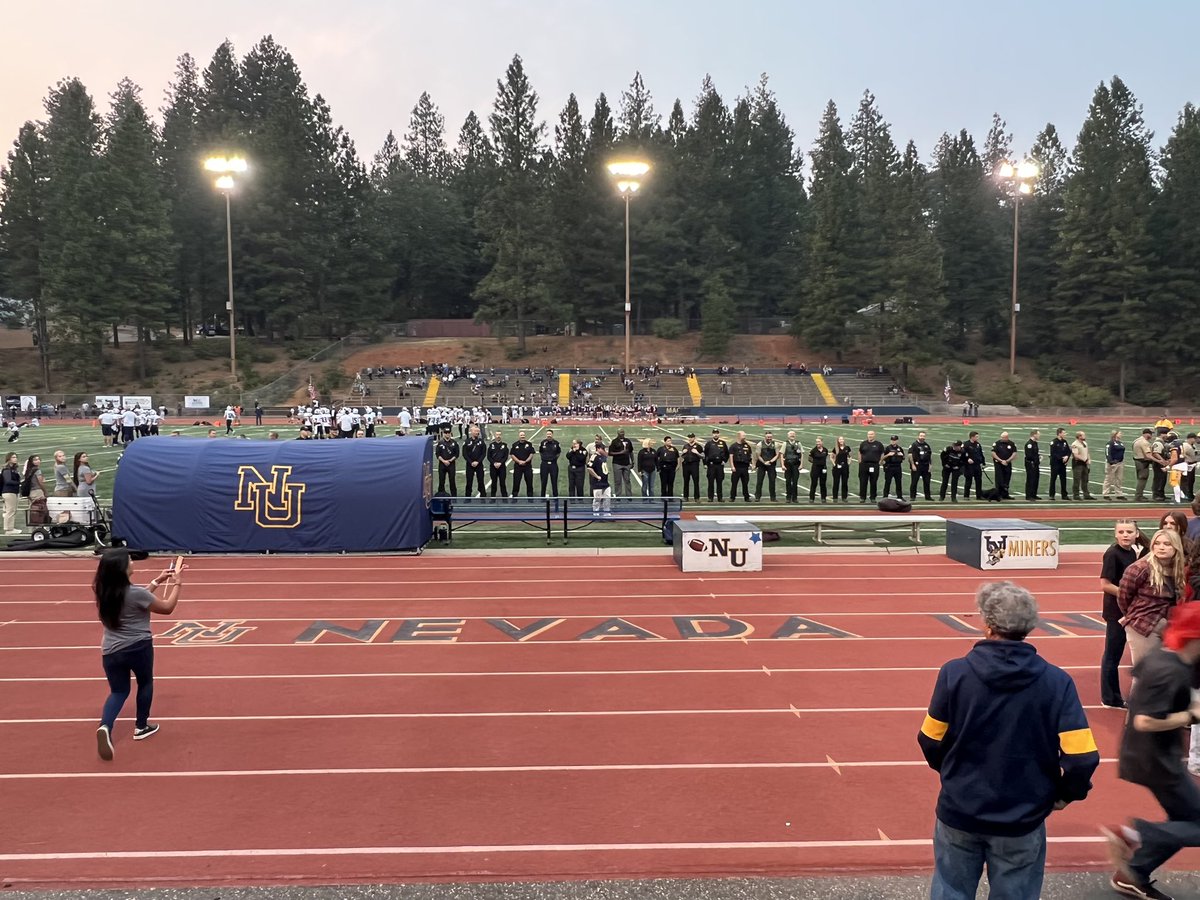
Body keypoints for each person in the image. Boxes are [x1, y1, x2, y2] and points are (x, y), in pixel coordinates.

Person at [919, 581, 1099, 900]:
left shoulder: (954, 673)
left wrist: (954, 772)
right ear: (1030, 626)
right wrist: (1063, 795)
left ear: (987, 625)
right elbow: (1082, 756)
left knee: (951, 889)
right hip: (1023, 814)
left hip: (960, 807)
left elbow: (930, 739)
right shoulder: (1057, 681)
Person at [1102, 603, 1200, 899]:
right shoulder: (1169, 671)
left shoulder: (1167, 657)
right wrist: (1190, 716)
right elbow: (1144, 721)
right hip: (1155, 761)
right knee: (1195, 824)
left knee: (1185, 821)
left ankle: (1134, 874)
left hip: (1150, 756)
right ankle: (1133, 834)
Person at [93, 548, 183, 760]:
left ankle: (105, 726)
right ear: (122, 568)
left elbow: (135, 597)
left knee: (118, 691)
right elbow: (167, 607)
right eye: (129, 561)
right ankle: (141, 726)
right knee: (145, 683)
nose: (132, 562)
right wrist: (177, 584)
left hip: (110, 650)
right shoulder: (136, 594)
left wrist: (157, 581)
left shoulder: (104, 590)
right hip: (138, 646)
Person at [1118, 529, 1186, 666]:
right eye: (1157, 543)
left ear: (1176, 547)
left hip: (1167, 625)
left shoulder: (1179, 568)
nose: (1161, 547)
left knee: (1168, 672)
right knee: (1145, 674)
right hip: (1143, 625)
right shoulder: (1140, 568)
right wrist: (1133, 616)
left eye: (1167, 544)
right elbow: (1123, 596)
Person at [1101, 520, 1146, 710]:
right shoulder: (1112, 554)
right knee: (1113, 655)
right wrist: (1127, 593)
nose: (1125, 535)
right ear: (1115, 534)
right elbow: (1105, 584)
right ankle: (1110, 698)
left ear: (1137, 534)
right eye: (1121, 531)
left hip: (1130, 609)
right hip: (1115, 611)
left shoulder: (1132, 552)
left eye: (1129, 531)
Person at [857, 430, 884, 503]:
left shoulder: (879, 444)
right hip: (864, 465)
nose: (870, 436)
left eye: (871, 434)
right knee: (863, 482)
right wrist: (860, 461)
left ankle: (873, 497)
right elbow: (859, 452)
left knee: (873, 482)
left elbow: (882, 453)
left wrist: (880, 461)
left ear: (874, 435)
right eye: (869, 434)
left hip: (874, 465)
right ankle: (862, 497)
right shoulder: (863, 443)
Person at [703, 429, 729, 502]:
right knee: (710, 482)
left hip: (720, 466)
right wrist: (705, 463)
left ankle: (720, 497)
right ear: (712, 434)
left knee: (719, 482)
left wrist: (724, 461)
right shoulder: (708, 443)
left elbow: (727, 453)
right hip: (711, 466)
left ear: (719, 434)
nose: (716, 435)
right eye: (714, 433)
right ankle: (710, 497)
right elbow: (704, 454)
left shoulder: (723, 443)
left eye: (717, 433)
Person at [991, 431, 1017, 500]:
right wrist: (1001, 460)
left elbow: (1014, 453)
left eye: (1003, 437)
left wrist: (1007, 461)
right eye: (1001, 437)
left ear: (1007, 437)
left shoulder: (1011, 444)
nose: (1002, 438)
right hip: (998, 464)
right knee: (999, 480)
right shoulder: (997, 443)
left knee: (1007, 479)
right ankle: (998, 495)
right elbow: (993, 453)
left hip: (1007, 464)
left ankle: (1005, 494)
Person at [608, 429, 633, 497]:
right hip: (617, 463)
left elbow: (631, 452)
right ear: (618, 433)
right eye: (621, 432)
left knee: (627, 480)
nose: (622, 433)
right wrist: (620, 453)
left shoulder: (628, 441)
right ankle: (618, 496)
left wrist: (632, 461)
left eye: (623, 432)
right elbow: (610, 453)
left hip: (626, 463)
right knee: (618, 481)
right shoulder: (614, 441)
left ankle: (629, 496)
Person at [588, 442, 612, 516]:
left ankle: (607, 513)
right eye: (602, 449)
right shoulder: (594, 456)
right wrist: (597, 476)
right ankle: (596, 514)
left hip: (605, 481)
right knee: (597, 499)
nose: (604, 450)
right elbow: (589, 468)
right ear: (598, 449)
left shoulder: (603, 456)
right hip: (597, 482)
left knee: (607, 498)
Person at [463, 426, 487, 498]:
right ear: (471, 431)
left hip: (479, 464)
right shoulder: (467, 442)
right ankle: (468, 496)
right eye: (475, 431)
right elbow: (464, 454)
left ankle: (483, 496)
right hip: (470, 465)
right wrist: (471, 462)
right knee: (469, 481)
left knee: (481, 480)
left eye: (478, 431)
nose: (477, 433)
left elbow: (483, 453)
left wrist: (478, 461)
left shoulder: (481, 442)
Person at [729, 431, 753, 502]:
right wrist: (732, 466)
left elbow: (750, 455)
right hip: (737, 467)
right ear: (739, 436)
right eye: (743, 435)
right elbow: (731, 456)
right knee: (734, 483)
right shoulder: (733, 446)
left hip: (745, 467)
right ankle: (732, 497)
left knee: (745, 483)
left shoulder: (747, 445)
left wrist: (752, 464)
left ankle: (746, 497)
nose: (744, 437)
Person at [909, 432, 934, 501]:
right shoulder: (914, 445)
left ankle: (928, 496)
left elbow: (929, 456)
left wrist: (930, 465)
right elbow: (910, 455)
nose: (922, 437)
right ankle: (912, 496)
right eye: (921, 436)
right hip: (917, 466)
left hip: (925, 466)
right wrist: (912, 464)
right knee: (914, 481)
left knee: (927, 482)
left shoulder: (927, 445)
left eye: (923, 436)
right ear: (918, 436)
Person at [754, 432, 779, 501]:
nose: (769, 438)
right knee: (759, 481)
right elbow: (758, 455)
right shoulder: (760, 444)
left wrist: (770, 461)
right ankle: (757, 496)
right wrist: (764, 462)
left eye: (770, 437)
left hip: (771, 465)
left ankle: (773, 497)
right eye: (768, 437)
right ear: (765, 437)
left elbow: (777, 455)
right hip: (762, 465)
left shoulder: (775, 444)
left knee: (772, 481)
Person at [435, 428, 459, 496]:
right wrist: (444, 461)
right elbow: (438, 454)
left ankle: (454, 496)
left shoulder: (454, 443)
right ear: (443, 434)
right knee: (441, 481)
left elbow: (456, 454)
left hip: (451, 464)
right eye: (446, 433)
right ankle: (440, 496)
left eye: (448, 433)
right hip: (442, 464)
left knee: (452, 481)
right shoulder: (440, 443)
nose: (447, 434)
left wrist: (450, 460)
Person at [510, 430, 534, 497]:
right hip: (518, 467)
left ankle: (530, 497)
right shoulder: (515, 445)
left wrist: (525, 461)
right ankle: (514, 496)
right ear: (519, 436)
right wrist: (518, 461)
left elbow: (531, 454)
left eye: (523, 435)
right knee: (516, 482)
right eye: (521, 435)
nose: (522, 436)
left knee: (529, 482)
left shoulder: (529, 444)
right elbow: (512, 455)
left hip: (527, 466)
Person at [1049, 428, 1071, 501]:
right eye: (1064, 433)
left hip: (1062, 464)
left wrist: (1067, 456)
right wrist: (1062, 458)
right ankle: (1052, 495)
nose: (1065, 434)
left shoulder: (1064, 442)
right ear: (1059, 433)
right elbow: (1053, 453)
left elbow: (1069, 451)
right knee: (1053, 479)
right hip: (1055, 463)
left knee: (1063, 479)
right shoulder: (1054, 442)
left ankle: (1064, 495)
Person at [538, 429, 562, 498]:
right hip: (544, 464)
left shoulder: (556, 443)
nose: (549, 435)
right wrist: (545, 458)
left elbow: (558, 453)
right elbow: (541, 452)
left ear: (552, 435)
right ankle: (542, 496)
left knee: (554, 481)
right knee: (543, 481)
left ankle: (555, 496)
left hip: (553, 464)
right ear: (546, 435)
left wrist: (553, 459)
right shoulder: (543, 443)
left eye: (550, 434)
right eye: (548, 434)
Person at [1133, 428, 1155, 503]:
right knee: (1142, 479)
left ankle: (1139, 495)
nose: (1151, 435)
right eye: (1150, 434)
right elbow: (1148, 455)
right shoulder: (1144, 442)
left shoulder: (1136, 440)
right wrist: (1159, 461)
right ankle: (1138, 496)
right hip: (1143, 462)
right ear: (1146, 434)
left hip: (1137, 460)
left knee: (1140, 479)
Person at [1072, 430, 1094, 501]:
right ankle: (1076, 495)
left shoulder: (1085, 443)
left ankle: (1086, 494)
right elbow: (1075, 455)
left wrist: (1089, 459)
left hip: (1085, 464)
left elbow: (1087, 452)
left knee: (1085, 480)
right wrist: (1084, 459)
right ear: (1079, 436)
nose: (1085, 436)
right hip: (1078, 464)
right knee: (1077, 480)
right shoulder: (1075, 444)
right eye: (1083, 435)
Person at [962, 432, 985, 500]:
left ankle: (979, 495)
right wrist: (967, 459)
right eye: (976, 436)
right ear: (972, 437)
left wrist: (983, 463)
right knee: (968, 481)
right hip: (969, 466)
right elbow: (962, 454)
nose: (978, 438)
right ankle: (966, 495)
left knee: (978, 481)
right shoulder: (966, 444)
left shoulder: (978, 444)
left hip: (977, 465)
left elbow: (980, 453)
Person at [487, 431, 510, 498]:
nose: (498, 436)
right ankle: (493, 497)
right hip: (493, 467)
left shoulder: (504, 445)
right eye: (497, 434)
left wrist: (500, 463)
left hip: (502, 467)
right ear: (495, 435)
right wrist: (494, 463)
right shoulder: (491, 445)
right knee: (493, 482)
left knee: (502, 482)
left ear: (501, 436)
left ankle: (504, 497)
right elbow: (488, 456)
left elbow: (506, 456)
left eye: (499, 434)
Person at [782, 431, 804, 503]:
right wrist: (782, 465)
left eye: (793, 434)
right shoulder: (785, 443)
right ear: (788, 436)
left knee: (795, 482)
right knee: (788, 481)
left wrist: (801, 464)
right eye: (791, 434)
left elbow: (802, 453)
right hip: (788, 464)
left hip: (796, 464)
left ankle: (795, 498)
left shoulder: (798, 443)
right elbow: (781, 454)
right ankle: (788, 497)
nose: (792, 435)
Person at [881, 435, 905, 499]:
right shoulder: (887, 448)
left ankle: (899, 496)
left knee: (898, 482)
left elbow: (903, 458)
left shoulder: (900, 448)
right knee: (888, 482)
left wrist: (901, 455)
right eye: (892, 440)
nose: (893, 441)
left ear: (897, 441)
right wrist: (888, 455)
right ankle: (885, 496)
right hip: (889, 467)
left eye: (895, 440)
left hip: (897, 467)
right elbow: (882, 458)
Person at [1, 452, 20, 535]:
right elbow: (8, 481)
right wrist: (18, 483)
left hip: (12, 491)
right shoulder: (7, 470)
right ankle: (8, 529)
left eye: (15, 457)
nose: (15, 458)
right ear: (9, 459)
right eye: (13, 457)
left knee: (12, 510)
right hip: (9, 491)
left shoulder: (13, 469)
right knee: (10, 511)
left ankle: (10, 528)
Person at [680, 433, 702, 502]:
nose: (690, 438)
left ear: (694, 438)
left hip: (694, 465)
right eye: (689, 437)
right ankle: (685, 497)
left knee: (696, 481)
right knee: (686, 481)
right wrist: (682, 453)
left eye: (691, 437)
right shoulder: (685, 446)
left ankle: (697, 497)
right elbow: (682, 456)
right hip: (686, 465)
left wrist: (697, 453)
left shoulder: (698, 446)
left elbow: (703, 456)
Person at [808, 437, 829, 503]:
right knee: (814, 483)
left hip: (823, 468)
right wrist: (815, 463)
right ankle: (812, 498)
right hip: (815, 468)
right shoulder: (813, 450)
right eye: (817, 442)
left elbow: (825, 457)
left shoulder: (825, 450)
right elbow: (809, 458)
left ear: (822, 442)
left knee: (823, 483)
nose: (817, 443)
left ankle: (823, 497)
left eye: (819, 442)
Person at [831, 436, 851, 502]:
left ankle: (844, 497)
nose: (841, 440)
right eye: (840, 439)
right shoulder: (836, 448)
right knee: (836, 482)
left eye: (842, 439)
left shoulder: (847, 448)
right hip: (837, 467)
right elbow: (831, 457)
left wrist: (848, 463)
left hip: (845, 467)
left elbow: (850, 456)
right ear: (838, 441)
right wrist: (834, 464)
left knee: (845, 482)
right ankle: (835, 497)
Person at [1024, 429, 1042, 500]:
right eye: (1038, 434)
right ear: (1034, 434)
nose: (1039, 436)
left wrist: (1038, 457)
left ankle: (1034, 494)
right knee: (1030, 479)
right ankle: (1029, 495)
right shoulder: (1029, 444)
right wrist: (1037, 458)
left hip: (1035, 464)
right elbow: (1029, 456)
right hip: (1030, 464)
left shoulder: (1035, 443)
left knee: (1035, 479)